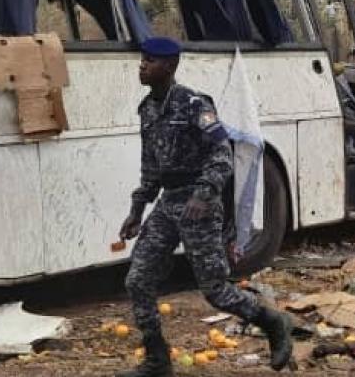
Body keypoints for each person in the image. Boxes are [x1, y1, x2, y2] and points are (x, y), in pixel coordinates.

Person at [119, 37, 293, 377]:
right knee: (137, 280)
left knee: (215, 291)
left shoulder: (195, 104)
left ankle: (272, 322)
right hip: (169, 204)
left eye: (150, 60)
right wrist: (137, 210)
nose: (142, 65)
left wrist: (204, 193)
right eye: (142, 59)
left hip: (200, 205)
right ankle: (157, 360)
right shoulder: (148, 110)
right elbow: (150, 169)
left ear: (169, 67)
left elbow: (222, 155)